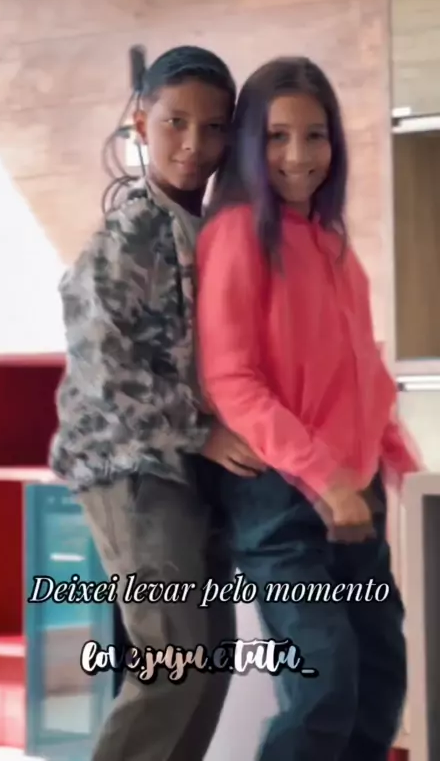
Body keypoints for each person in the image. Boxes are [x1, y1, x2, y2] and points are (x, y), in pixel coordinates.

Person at [195, 56, 422, 761]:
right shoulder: (237, 232)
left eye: (315, 135)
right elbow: (231, 379)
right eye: (277, 136)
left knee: (379, 679)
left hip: (354, 494)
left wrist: (401, 465)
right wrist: (326, 481)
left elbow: (364, 376)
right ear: (248, 144)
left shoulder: (332, 243)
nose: (299, 155)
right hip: (283, 499)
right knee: (323, 682)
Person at [49, 45, 261, 761]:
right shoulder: (129, 233)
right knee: (173, 661)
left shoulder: (212, 228)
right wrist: (202, 432)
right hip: (132, 466)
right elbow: (106, 369)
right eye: (176, 122)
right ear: (141, 123)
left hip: (190, 469)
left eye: (213, 127)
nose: (194, 143)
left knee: (207, 663)